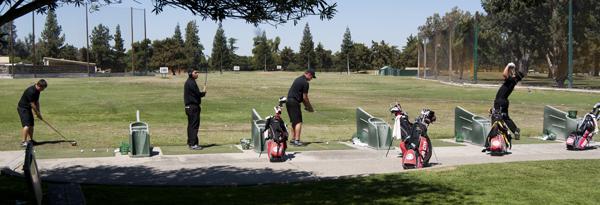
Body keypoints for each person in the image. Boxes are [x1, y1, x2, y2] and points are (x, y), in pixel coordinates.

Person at [483, 62, 524, 151]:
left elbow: (504, 74)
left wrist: (508, 65)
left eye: (514, 73)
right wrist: (511, 69)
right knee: (505, 117)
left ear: (515, 76)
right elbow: (508, 74)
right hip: (504, 101)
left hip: (500, 101)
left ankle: (494, 133)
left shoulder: (511, 80)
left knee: (496, 116)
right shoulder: (513, 80)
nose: (513, 72)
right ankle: (515, 130)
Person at [286, 69, 316, 146]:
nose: (311, 79)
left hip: (288, 101)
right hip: (294, 102)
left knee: (294, 121)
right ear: (308, 74)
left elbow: (301, 98)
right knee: (299, 122)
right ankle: (297, 140)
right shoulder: (305, 83)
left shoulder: (298, 79)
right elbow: (305, 97)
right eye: (312, 77)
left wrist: (307, 106)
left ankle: (293, 139)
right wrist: (310, 107)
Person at [17, 79, 47, 147]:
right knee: (27, 125)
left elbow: (37, 102)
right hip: (23, 108)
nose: (43, 90)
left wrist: (39, 112)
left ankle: (30, 140)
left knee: (31, 125)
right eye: (43, 88)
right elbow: (32, 104)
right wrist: (36, 113)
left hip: (28, 109)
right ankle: (23, 142)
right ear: (39, 86)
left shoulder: (37, 91)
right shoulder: (31, 91)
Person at [184, 69, 206, 150]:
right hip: (193, 107)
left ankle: (190, 142)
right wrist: (203, 92)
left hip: (189, 107)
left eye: (198, 72)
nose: (197, 74)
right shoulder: (191, 82)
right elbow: (198, 94)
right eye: (195, 72)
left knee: (190, 125)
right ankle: (193, 144)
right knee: (194, 126)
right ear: (190, 73)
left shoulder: (189, 81)